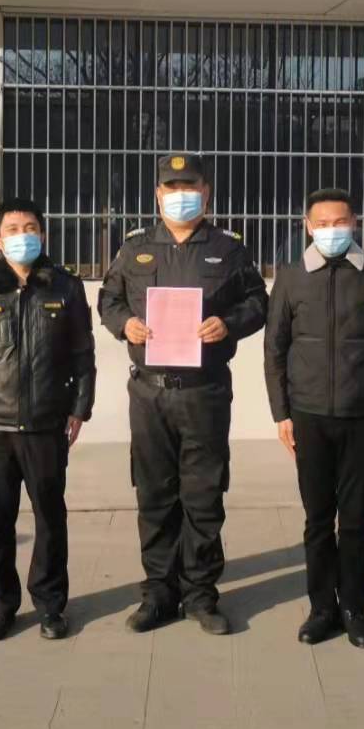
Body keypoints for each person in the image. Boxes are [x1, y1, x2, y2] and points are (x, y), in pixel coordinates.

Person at [98, 154, 267, 635]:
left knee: (203, 495)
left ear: (205, 192)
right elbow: (108, 299)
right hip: (149, 393)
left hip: (204, 392)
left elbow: (258, 301)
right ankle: (158, 593)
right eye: (171, 187)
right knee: (154, 494)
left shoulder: (228, 249)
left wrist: (228, 323)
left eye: (189, 186)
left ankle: (200, 594)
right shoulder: (134, 248)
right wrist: (124, 324)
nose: (180, 195)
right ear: (158, 194)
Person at [263, 187, 364, 649]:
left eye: (340, 222)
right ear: (308, 227)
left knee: (355, 521)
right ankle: (322, 609)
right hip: (307, 417)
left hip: (363, 417)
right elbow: (274, 351)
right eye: (322, 224)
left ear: (354, 223)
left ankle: (354, 610)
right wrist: (281, 414)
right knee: (317, 519)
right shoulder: (291, 279)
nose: (332, 230)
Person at [0, 198, 96, 642]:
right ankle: (1, 606)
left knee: (50, 520)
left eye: (30, 227)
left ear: (43, 234)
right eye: (13, 229)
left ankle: (51, 605)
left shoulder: (66, 288)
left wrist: (79, 409)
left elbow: (83, 355)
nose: (22, 236)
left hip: (46, 426)